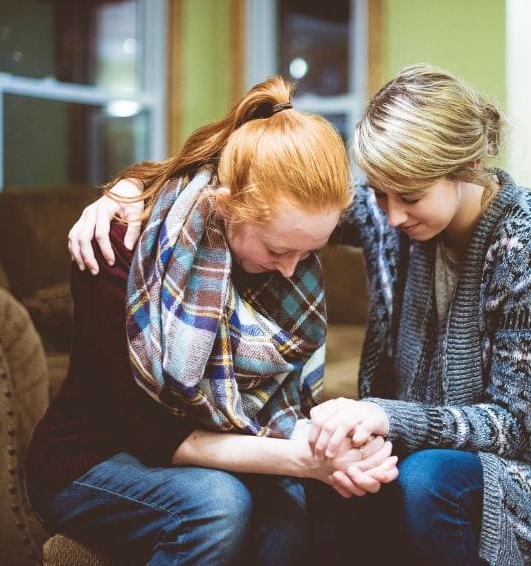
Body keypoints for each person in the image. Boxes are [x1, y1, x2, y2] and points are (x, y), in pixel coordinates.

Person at [70, 65, 531, 565]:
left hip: (526, 460)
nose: (390, 215)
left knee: (425, 479)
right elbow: (270, 190)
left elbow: (516, 423)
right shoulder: (388, 211)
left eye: (411, 197)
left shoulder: (530, 240)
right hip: (408, 437)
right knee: (324, 492)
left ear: (466, 168)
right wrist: (135, 190)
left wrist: (384, 416)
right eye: (377, 193)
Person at [26, 76, 398, 566]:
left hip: (196, 448)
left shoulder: (283, 259)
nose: (292, 271)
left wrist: (338, 453)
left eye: (309, 254)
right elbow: (149, 433)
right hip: (92, 459)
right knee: (217, 504)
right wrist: (307, 460)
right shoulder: (120, 245)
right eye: (279, 250)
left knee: (290, 505)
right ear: (226, 206)